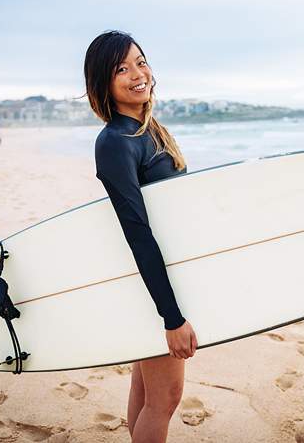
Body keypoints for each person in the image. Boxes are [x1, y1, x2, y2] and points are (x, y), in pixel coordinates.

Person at [84, 30, 197, 443]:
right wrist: (171, 316)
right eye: (122, 68)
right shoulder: (115, 142)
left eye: (141, 61)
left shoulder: (149, 131)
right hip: (151, 285)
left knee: (146, 391)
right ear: (103, 83)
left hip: (153, 281)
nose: (138, 73)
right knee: (165, 397)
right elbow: (138, 233)